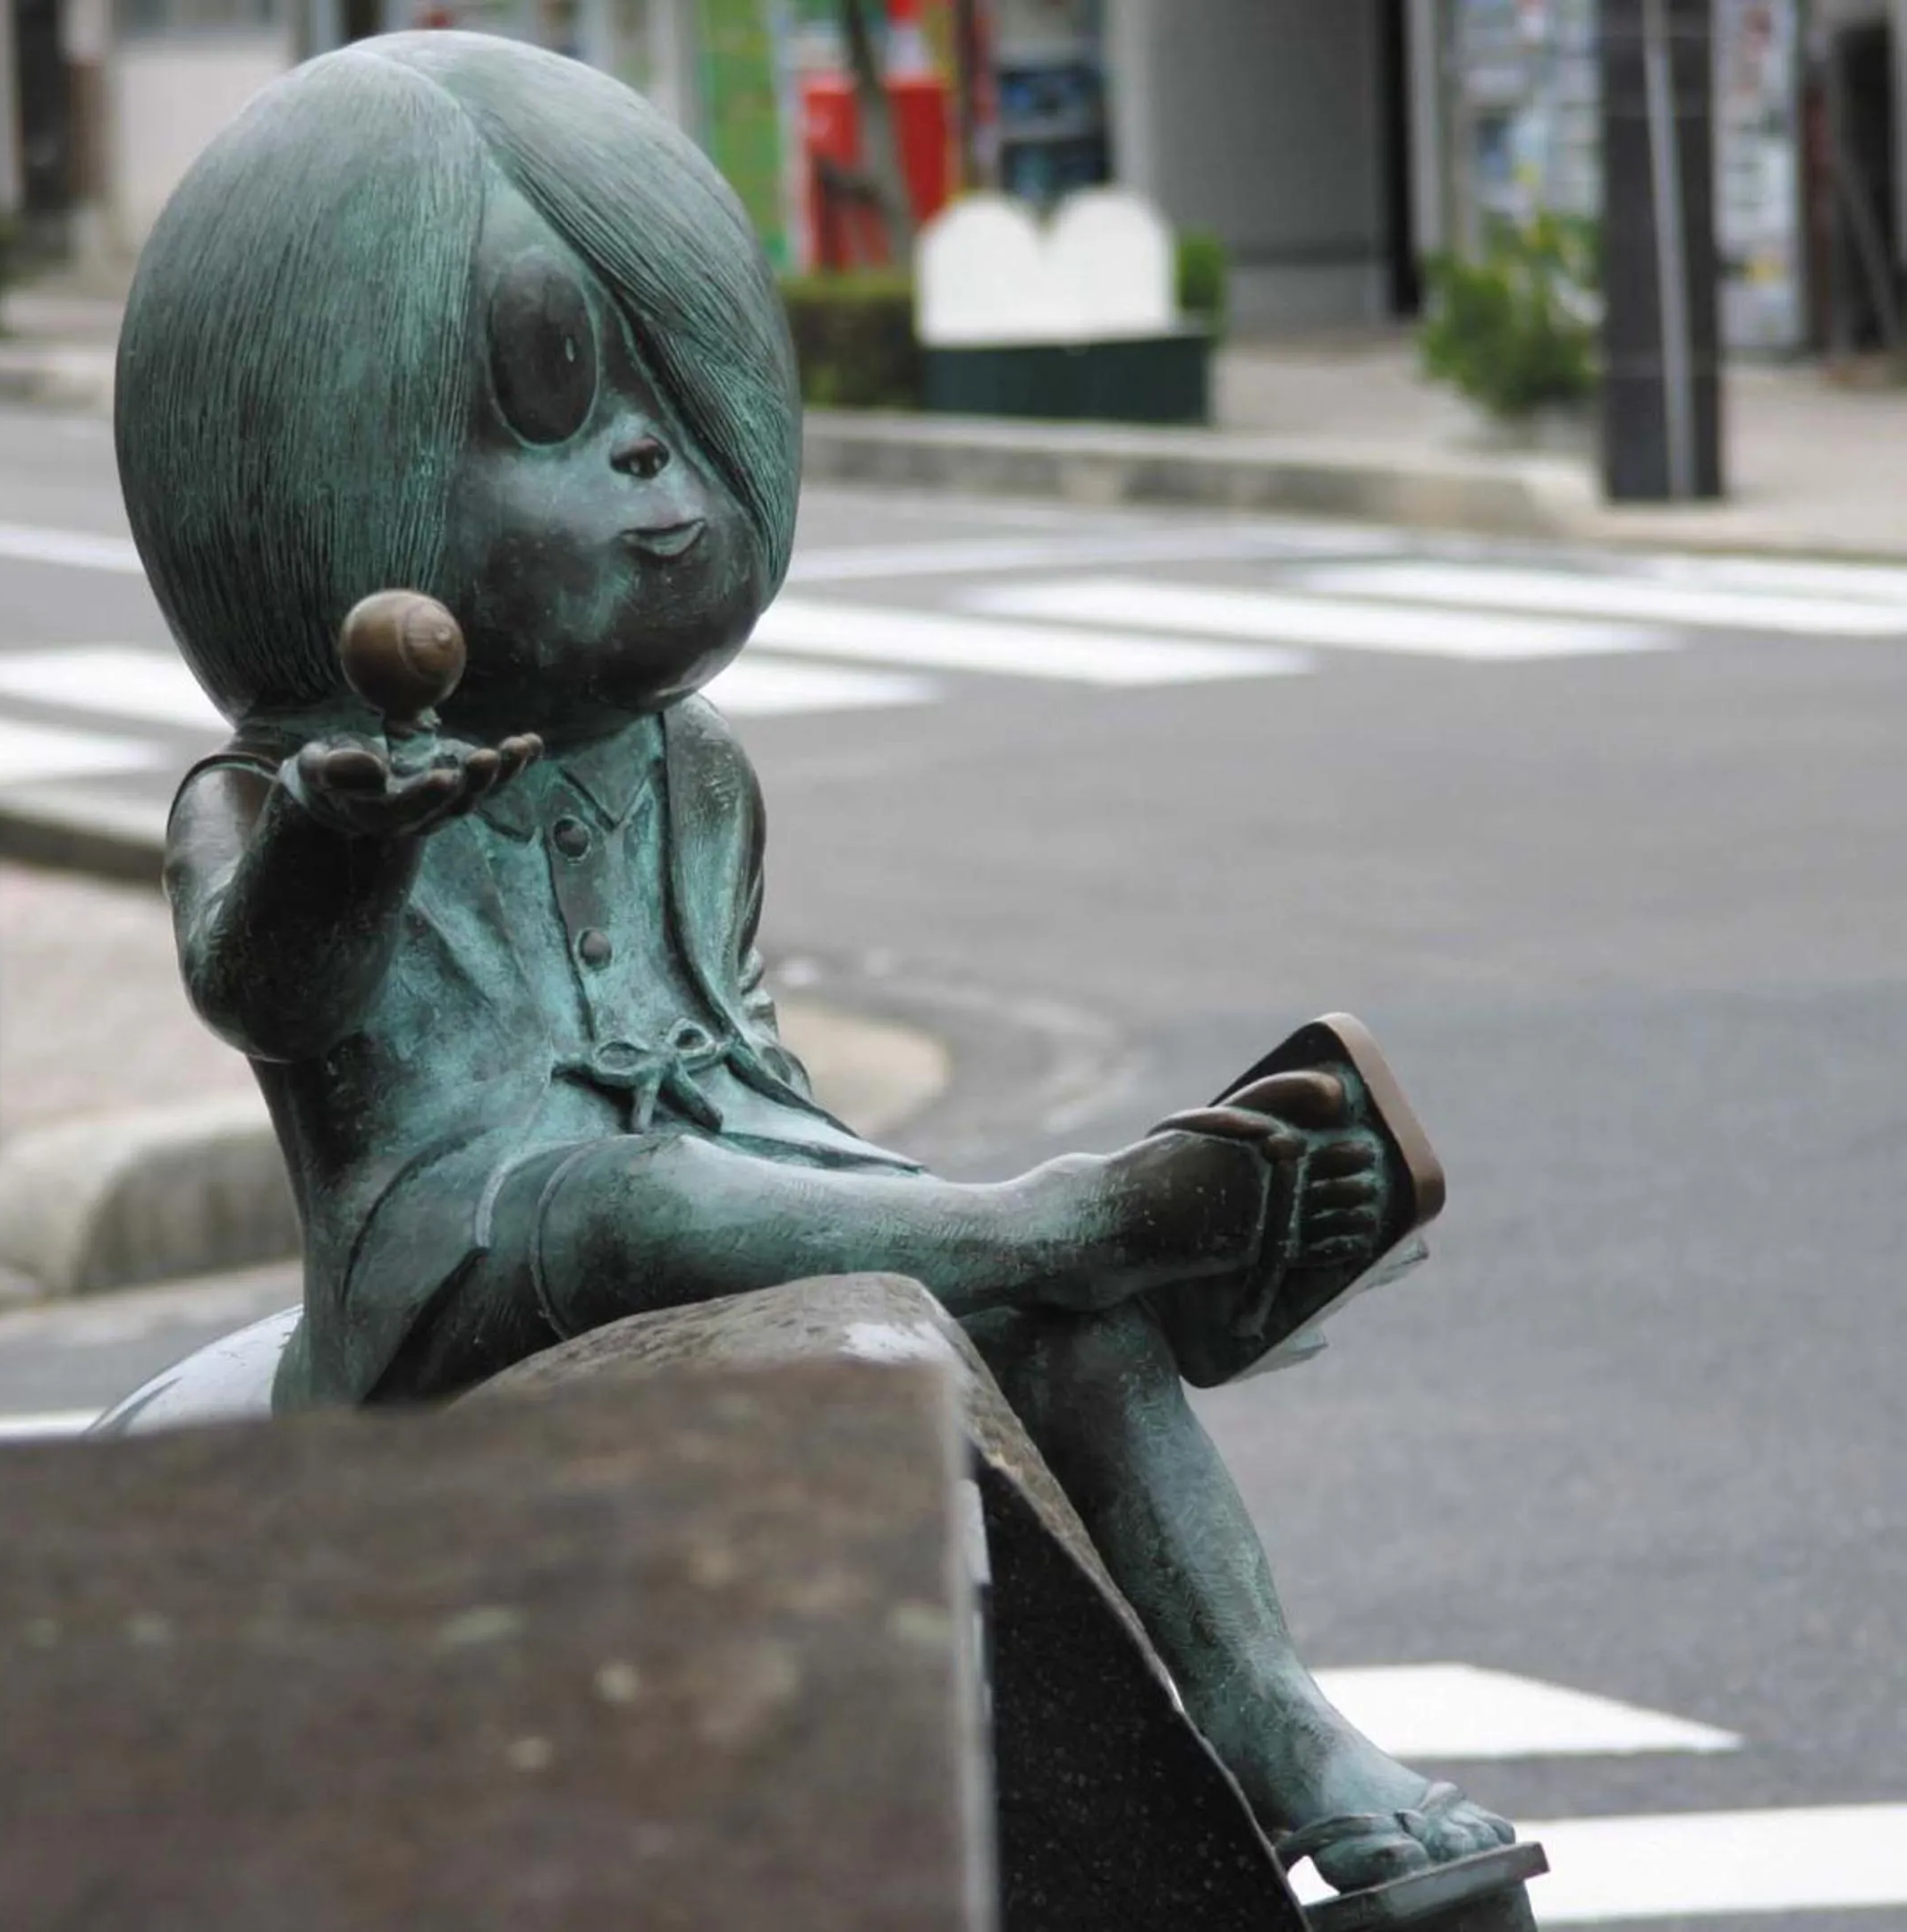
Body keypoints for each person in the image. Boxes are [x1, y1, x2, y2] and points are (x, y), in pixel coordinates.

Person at [114, 30, 1513, 1894]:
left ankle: (1268, 1713)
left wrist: (870, 1211)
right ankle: (1092, 1232)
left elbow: (738, 1060)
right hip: (451, 1275)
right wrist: (346, 843)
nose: (645, 448)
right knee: (668, 1205)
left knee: (1039, 1303)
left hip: (704, 1185)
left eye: (680, 401)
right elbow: (266, 991)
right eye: (552, 396)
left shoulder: (694, 772)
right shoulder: (282, 786)